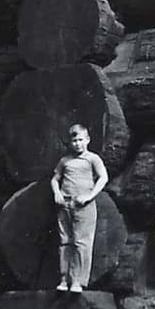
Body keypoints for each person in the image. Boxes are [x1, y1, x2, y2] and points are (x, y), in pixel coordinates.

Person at [50, 123, 108, 293]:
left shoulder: (92, 159)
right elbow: (55, 179)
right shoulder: (65, 160)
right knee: (65, 241)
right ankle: (64, 279)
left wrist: (89, 196)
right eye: (74, 140)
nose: (77, 144)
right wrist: (57, 194)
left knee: (81, 243)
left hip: (83, 205)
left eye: (81, 140)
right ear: (70, 142)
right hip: (65, 204)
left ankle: (77, 281)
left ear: (87, 140)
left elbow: (103, 178)